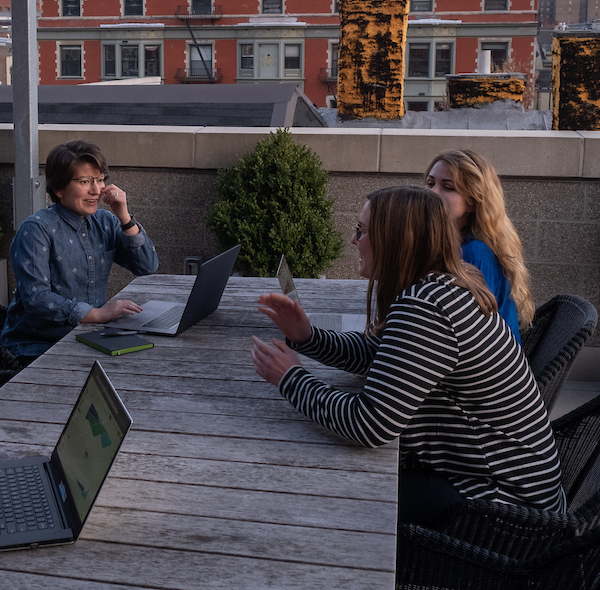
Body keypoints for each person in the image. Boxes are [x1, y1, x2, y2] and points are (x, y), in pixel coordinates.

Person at [251, 185, 565, 527]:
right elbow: (384, 356)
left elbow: (368, 425)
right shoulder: (446, 285)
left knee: (326, 502)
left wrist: (290, 378)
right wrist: (308, 337)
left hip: (504, 510)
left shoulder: (427, 308)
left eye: (361, 230)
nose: (353, 241)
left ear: (395, 240)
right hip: (515, 487)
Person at [1, 140, 159, 366]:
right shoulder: (36, 230)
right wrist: (98, 314)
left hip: (87, 336)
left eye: (100, 179)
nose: (96, 189)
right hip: (35, 346)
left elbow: (147, 267)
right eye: (85, 181)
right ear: (58, 188)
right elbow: (37, 298)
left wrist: (125, 217)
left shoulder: (106, 221)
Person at [425, 149, 534, 344]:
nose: (432, 193)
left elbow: (468, 331)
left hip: (487, 369)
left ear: (473, 202)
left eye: (448, 187)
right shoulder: (453, 243)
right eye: (430, 183)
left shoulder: (474, 253)